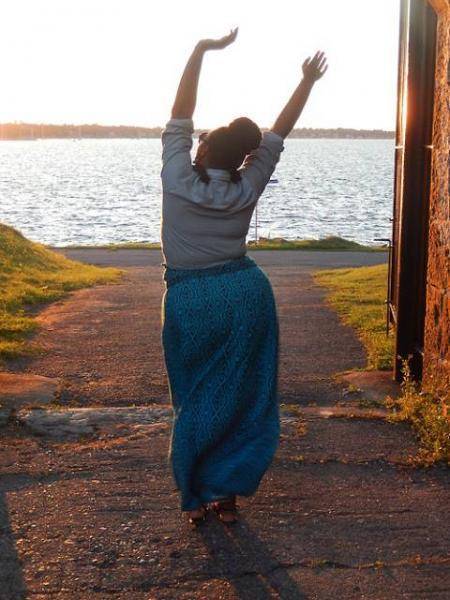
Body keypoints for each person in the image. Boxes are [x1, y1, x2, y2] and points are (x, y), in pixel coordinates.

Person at [160, 28, 327, 526]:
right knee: (242, 395)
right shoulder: (248, 183)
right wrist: (306, 82)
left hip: (190, 297)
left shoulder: (177, 176)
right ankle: (225, 495)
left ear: (203, 150)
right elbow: (279, 133)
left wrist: (200, 51)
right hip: (243, 294)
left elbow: (180, 113)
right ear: (239, 157)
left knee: (195, 395)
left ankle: (195, 495)